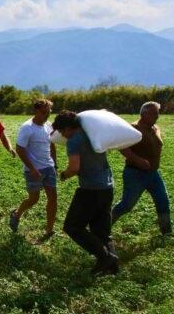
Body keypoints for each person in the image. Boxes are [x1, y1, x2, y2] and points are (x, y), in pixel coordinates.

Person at [55, 110, 119, 275]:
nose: (63, 135)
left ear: (69, 127)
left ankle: (104, 257)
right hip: (107, 186)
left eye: (62, 131)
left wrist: (63, 174)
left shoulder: (74, 141)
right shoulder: (92, 133)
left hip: (90, 190)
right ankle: (113, 267)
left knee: (72, 226)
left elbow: (74, 168)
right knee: (102, 230)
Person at [112, 101, 172, 235]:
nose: (157, 117)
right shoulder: (133, 128)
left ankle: (167, 234)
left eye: (158, 114)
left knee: (163, 201)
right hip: (135, 174)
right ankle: (103, 226)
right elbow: (121, 146)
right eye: (154, 114)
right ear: (144, 114)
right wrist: (137, 160)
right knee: (127, 205)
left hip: (153, 173)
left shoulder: (155, 128)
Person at [9, 99, 58, 242]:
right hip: (33, 170)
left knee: (53, 198)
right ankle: (17, 214)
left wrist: (54, 164)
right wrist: (32, 169)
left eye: (49, 113)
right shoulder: (27, 127)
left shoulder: (48, 126)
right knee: (33, 199)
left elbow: (52, 145)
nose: (47, 116)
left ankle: (49, 230)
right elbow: (20, 149)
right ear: (36, 111)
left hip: (48, 168)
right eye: (44, 113)